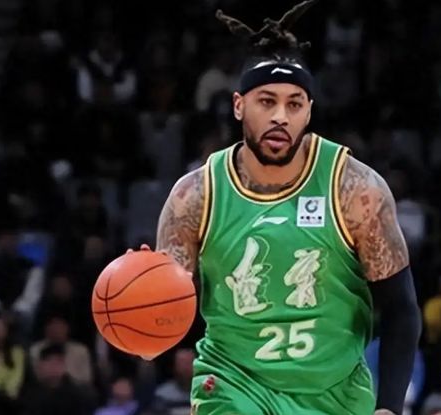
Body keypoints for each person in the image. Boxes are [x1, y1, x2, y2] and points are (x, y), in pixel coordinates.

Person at [141, 2, 421, 414]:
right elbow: (162, 318)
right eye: (266, 101)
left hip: (335, 393)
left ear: (309, 111)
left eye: (294, 104)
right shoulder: (195, 196)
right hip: (233, 385)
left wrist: (389, 407)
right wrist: (146, 290)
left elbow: (401, 309)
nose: (280, 117)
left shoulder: (355, 189)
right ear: (239, 105)